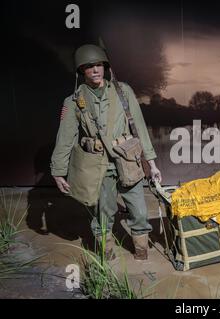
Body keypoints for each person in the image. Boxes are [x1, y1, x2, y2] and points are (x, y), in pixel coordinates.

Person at [50, 44, 162, 260]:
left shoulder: (123, 91)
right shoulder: (73, 102)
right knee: (103, 215)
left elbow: (138, 127)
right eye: (89, 66)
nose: (95, 70)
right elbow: (65, 138)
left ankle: (141, 251)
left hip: (128, 162)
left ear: (105, 67)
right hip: (98, 166)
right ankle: (107, 255)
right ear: (81, 71)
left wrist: (152, 164)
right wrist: (58, 171)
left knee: (139, 212)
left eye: (99, 65)